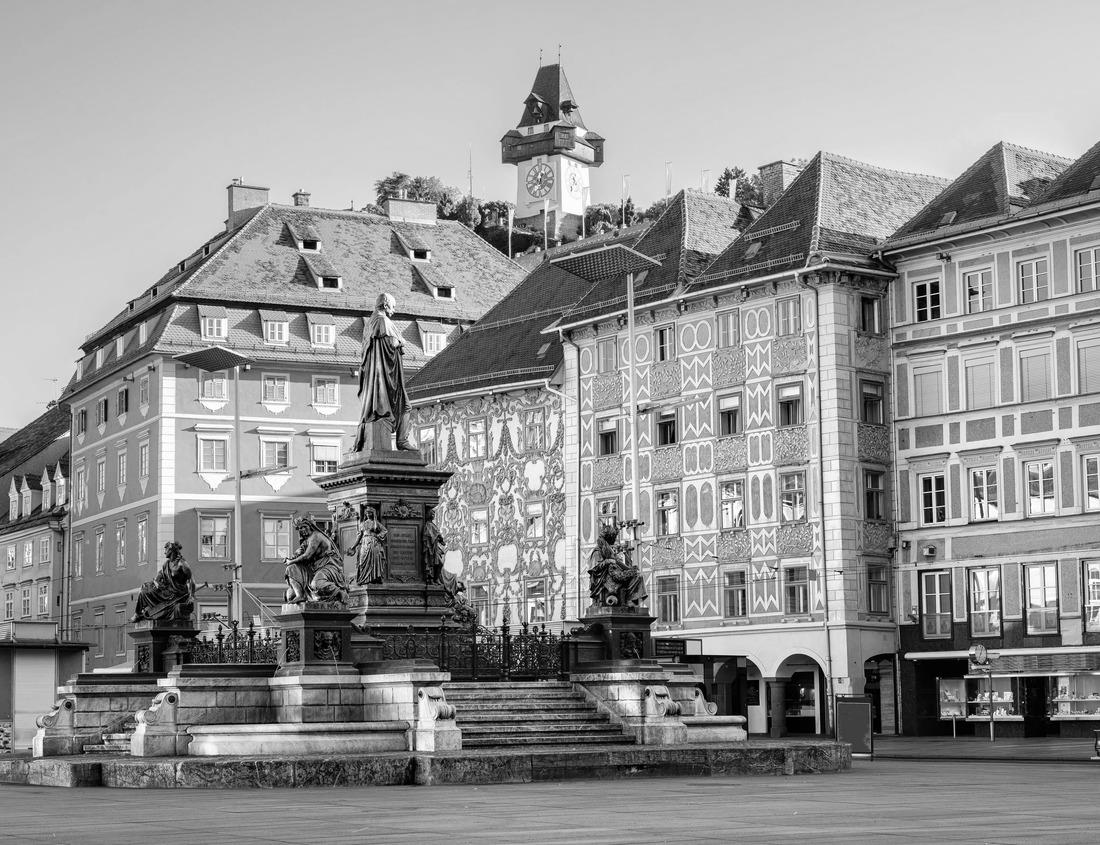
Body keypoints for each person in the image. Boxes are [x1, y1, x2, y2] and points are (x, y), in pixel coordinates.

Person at [353, 292, 416, 452]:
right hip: (387, 376)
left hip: (377, 378)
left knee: (404, 406)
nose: (393, 311)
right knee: (406, 406)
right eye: (393, 307)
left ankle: (402, 441)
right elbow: (390, 344)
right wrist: (400, 342)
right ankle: (402, 441)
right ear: (386, 305)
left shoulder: (370, 323)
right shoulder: (382, 321)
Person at [283, 516, 349, 604]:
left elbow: (307, 556)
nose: (302, 529)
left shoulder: (316, 536)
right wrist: (291, 558)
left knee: (316, 585)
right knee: (291, 569)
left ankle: (340, 592)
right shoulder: (306, 540)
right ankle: (300, 596)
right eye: (300, 528)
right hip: (314, 568)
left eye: (304, 526)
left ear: (310, 526)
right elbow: (300, 552)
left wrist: (291, 561)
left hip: (327, 566)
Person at [131, 541, 196, 622]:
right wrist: (156, 582)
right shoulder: (167, 563)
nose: (164, 552)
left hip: (177, 594)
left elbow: (191, 580)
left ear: (171, 550)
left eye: (166, 550)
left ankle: (146, 613)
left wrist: (191, 596)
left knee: (147, 590)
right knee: (144, 591)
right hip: (166, 591)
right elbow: (159, 575)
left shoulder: (182, 564)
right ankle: (138, 613)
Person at [347, 507, 387, 585]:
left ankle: (374, 578)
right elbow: (359, 536)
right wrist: (353, 546)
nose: (368, 514)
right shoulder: (363, 524)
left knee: (374, 560)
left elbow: (384, 531)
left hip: (373, 543)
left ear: (373, 514)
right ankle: (363, 579)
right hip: (364, 543)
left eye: (370, 513)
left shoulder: (376, 523)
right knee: (362, 561)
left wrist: (377, 536)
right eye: (367, 513)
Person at [421, 507, 446, 584]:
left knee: (439, 563)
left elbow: (435, 534)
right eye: (432, 514)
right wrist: (438, 537)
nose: (433, 516)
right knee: (438, 563)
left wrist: (440, 539)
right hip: (431, 548)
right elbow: (428, 535)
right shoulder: (428, 524)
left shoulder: (432, 524)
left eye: (434, 514)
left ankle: (435, 578)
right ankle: (434, 579)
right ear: (429, 515)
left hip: (434, 547)